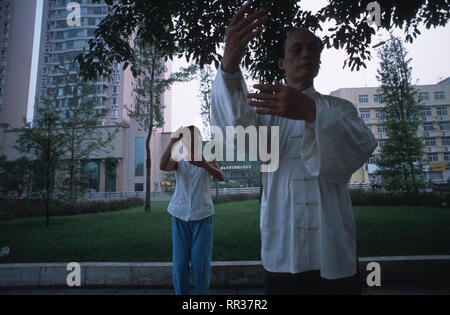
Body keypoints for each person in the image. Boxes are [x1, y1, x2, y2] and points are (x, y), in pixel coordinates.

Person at [211, 2, 378, 294]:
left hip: (333, 244)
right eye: (297, 49)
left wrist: (312, 113)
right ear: (281, 63)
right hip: (283, 245)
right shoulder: (264, 113)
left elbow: (361, 147)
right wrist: (229, 66)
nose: (307, 54)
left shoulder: (338, 109)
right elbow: (237, 137)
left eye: (313, 49)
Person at [160, 126, 225, 295]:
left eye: (194, 138)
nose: (190, 141)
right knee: (180, 264)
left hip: (202, 215)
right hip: (179, 215)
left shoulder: (208, 156)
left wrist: (203, 164)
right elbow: (162, 166)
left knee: (200, 264)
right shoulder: (177, 157)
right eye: (186, 138)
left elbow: (220, 176)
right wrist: (173, 141)